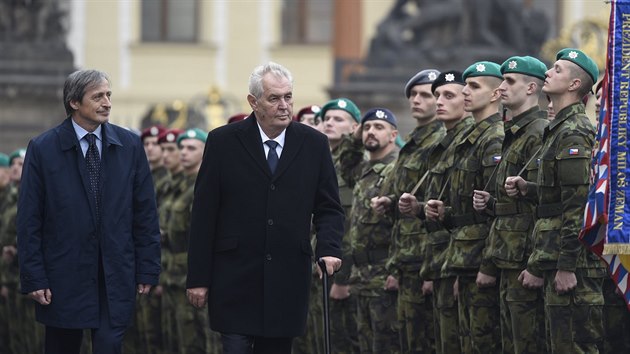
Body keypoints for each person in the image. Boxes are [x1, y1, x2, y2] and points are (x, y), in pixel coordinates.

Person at [186, 62, 344, 354]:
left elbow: (329, 208)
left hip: (287, 277)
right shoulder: (223, 142)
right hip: (234, 277)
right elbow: (204, 215)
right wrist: (198, 278)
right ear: (253, 102)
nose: (284, 105)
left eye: (288, 97)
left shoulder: (314, 144)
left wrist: (329, 248)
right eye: (274, 98)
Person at [16, 69, 161, 354]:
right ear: (74, 102)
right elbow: (29, 219)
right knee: (62, 346)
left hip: (114, 273)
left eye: (108, 95)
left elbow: (145, 213)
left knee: (110, 345)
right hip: (63, 274)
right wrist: (35, 277)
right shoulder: (44, 149)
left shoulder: (130, 146)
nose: (107, 102)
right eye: (97, 97)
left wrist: (147, 267)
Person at [505, 48, 605, 353]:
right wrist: (530, 188)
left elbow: (577, 206)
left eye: (557, 70)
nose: (548, 72)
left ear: (574, 85)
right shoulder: (558, 129)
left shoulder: (573, 132)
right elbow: (560, 193)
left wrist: (566, 266)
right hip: (554, 256)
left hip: (571, 264)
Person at [472, 56, 549, 354]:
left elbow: (542, 205)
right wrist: (491, 203)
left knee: (527, 344)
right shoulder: (513, 133)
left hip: (524, 259)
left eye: (510, 81)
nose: (502, 87)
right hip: (506, 255)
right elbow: (510, 207)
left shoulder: (538, 132)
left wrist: (536, 264)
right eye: (502, 80)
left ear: (531, 87)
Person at [398, 71, 474, 354]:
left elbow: (473, 213)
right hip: (438, 260)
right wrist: (418, 209)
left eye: (446, 95)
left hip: (462, 262)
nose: (438, 101)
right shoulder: (444, 145)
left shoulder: (470, 142)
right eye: (437, 94)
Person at [432, 61, 504, 353]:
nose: (466, 93)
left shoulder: (494, 138)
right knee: (465, 341)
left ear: (496, 93)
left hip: (480, 259)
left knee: (482, 342)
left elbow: (497, 212)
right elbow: (466, 209)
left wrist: (487, 264)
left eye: (474, 87)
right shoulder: (469, 138)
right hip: (463, 256)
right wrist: (443, 212)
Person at [372, 69, 443, 353]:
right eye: (413, 94)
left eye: (424, 95)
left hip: (424, 259)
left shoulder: (440, 142)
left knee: (425, 340)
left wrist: (430, 268)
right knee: (408, 340)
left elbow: (438, 202)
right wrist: (389, 202)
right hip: (405, 258)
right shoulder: (412, 144)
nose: (416, 100)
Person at [336, 107, 401, 353]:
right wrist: (356, 135)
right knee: (365, 345)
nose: (371, 132)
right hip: (362, 275)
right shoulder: (362, 170)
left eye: (379, 127)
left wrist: (396, 270)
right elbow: (346, 160)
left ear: (393, 135)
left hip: (385, 272)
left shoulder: (397, 167)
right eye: (367, 127)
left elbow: (405, 225)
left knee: (386, 345)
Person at [319, 97, 362, 354]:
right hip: (322, 266)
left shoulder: (355, 164)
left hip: (346, 269)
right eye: (327, 119)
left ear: (355, 127)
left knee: (346, 341)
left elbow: (353, 227)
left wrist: (343, 278)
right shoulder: (324, 161)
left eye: (338, 119)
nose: (330, 123)